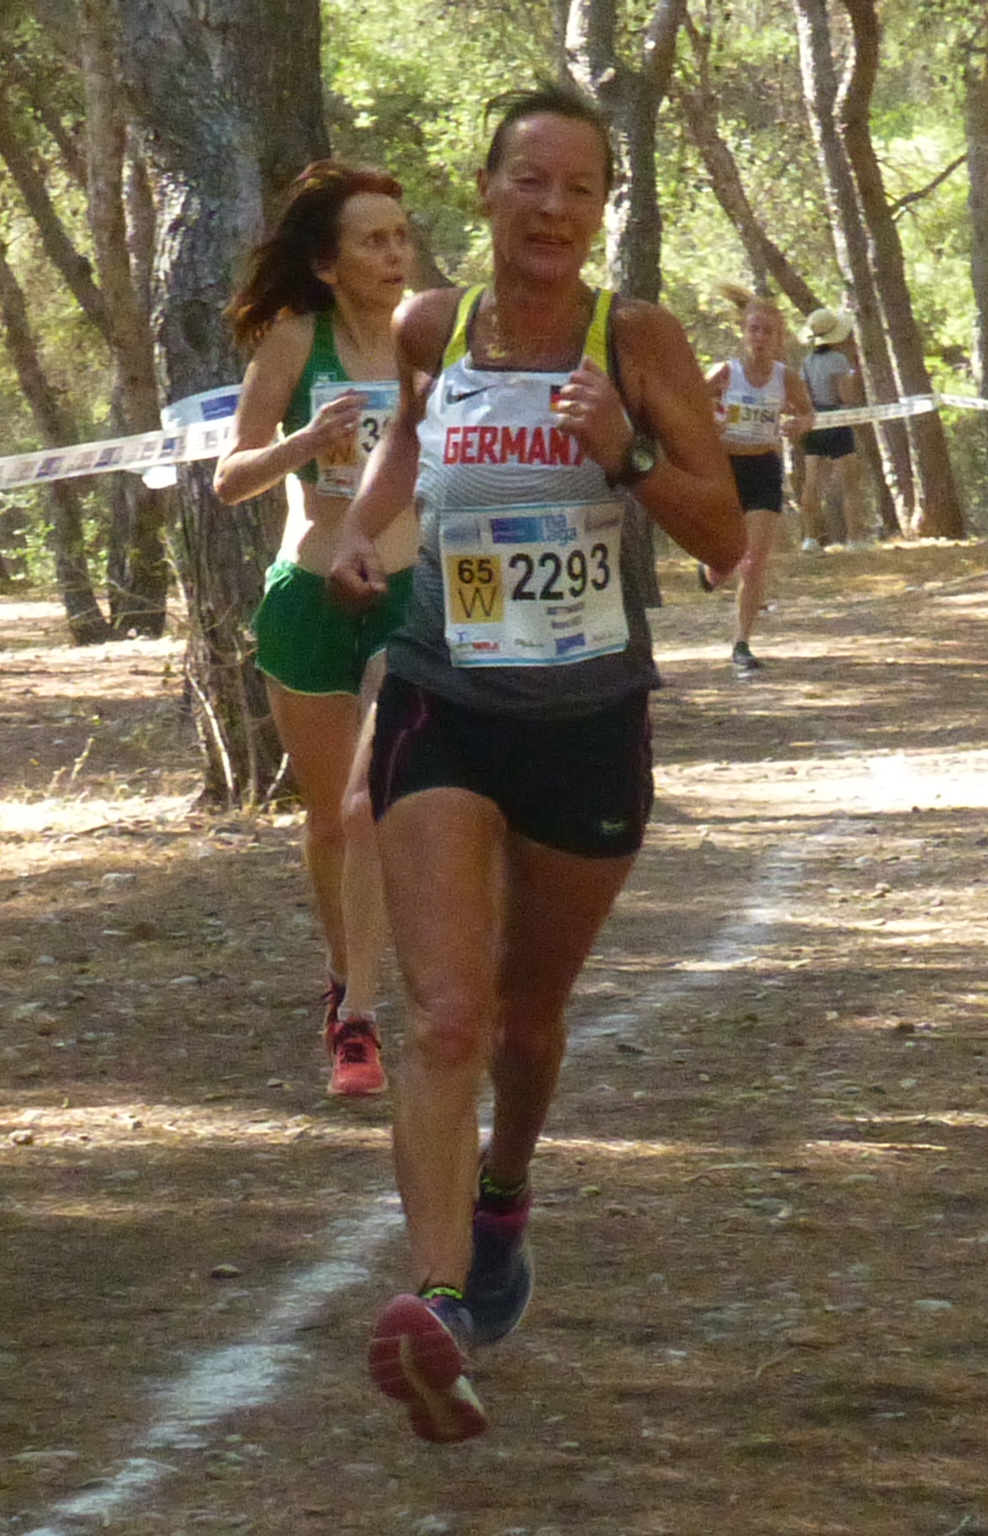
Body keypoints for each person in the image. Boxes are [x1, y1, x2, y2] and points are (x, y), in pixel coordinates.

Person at [328, 86, 744, 1443]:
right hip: (443, 697)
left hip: (586, 718)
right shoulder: (430, 325)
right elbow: (408, 432)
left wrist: (622, 450)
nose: (553, 208)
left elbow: (722, 538)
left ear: (601, 208)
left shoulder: (637, 339)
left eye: (580, 188)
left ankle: (504, 1191)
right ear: (487, 189)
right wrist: (362, 529)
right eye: (530, 181)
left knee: (526, 1018)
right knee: (446, 1016)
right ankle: (437, 1301)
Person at [214, 161, 417, 1098]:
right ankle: (344, 992)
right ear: (328, 264)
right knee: (330, 818)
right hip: (308, 595)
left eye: (401, 236)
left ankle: (365, 1015)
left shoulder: (430, 338)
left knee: (369, 806)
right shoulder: (296, 339)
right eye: (373, 240)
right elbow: (231, 477)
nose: (395, 253)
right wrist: (303, 443)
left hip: (409, 592)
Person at [703, 285, 812, 672]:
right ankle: (712, 567)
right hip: (726, 468)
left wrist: (799, 423)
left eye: (768, 331)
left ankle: (742, 643)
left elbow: (807, 413)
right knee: (726, 559)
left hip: (764, 466)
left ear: (780, 337)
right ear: (743, 333)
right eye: (754, 329)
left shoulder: (787, 377)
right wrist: (710, 421)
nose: (760, 337)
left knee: (754, 562)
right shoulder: (725, 372)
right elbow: (689, 405)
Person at [796, 307, 864, 549]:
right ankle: (854, 539)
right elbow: (846, 396)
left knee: (812, 482)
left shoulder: (807, 362)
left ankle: (809, 538)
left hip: (815, 422)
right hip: (837, 421)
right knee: (850, 483)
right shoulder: (839, 361)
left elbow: (804, 395)